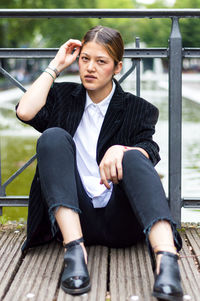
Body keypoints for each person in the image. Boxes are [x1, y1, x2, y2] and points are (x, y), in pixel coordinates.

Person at [16, 26, 183, 300]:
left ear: (117, 67)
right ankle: (75, 253)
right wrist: (56, 65)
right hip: (75, 219)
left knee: (132, 154)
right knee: (53, 137)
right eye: (85, 59)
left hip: (121, 220)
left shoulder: (138, 109)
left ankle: (166, 258)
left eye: (101, 61)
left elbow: (151, 151)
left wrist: (123, 149)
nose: (90, 68)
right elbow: (25, 111)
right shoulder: (63, 98)